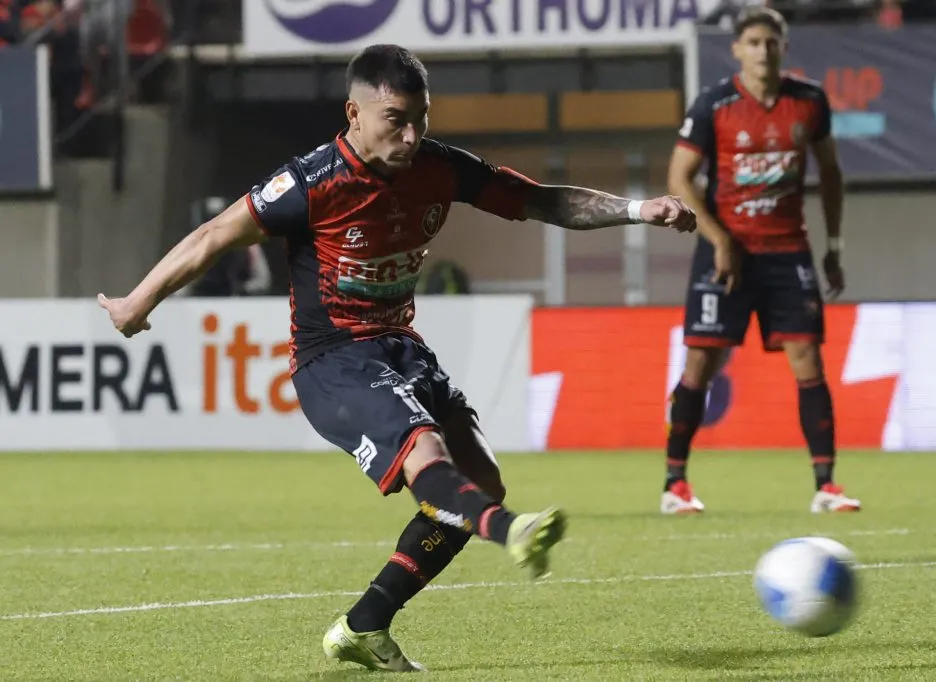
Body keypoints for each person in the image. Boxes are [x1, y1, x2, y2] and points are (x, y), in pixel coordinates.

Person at [97, 44, 697, 672]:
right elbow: (213, 235)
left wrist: (638, 210)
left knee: (478, 483)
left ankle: (364, 626)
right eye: (394, 120)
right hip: (334, 359)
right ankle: (509, 530)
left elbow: (541, 200)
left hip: (402, 349)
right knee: (431, 462)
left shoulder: (440, 168)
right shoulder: (311, 182)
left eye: (421, 118)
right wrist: (139, 301)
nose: (411, 136)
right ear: (353, 113)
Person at [661, 7, 860, 516]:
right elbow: (679, 178)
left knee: (808, 359)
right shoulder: (714, 104)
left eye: (771, 42)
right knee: (701, 363)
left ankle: (826, 485)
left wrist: (833, 246)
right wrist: (718, 238)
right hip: (725, 252)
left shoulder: (809, 102)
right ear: (737, 49)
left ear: (784, 47)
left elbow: (832, 174)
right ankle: (675, 484)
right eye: (753, 42)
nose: (763, 51)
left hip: (788, 250)